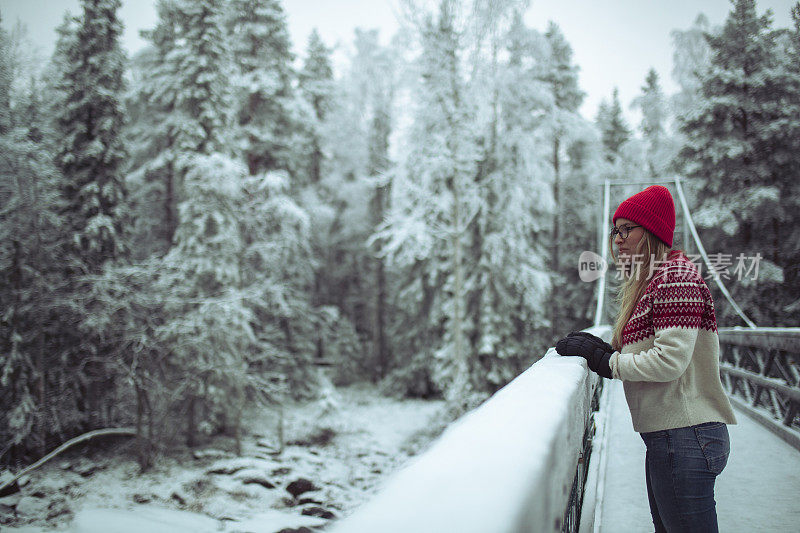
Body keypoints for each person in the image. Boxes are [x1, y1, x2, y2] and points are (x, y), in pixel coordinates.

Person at [554, 185, 737, 533]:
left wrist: (607, 362)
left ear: (651, 232)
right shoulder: (655, 281)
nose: (618, 240)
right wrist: (604, 351)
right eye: (615, 231)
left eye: (628, 230)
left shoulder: (675, 278)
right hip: (673, 438)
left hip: (685, 436)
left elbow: (669, 361)